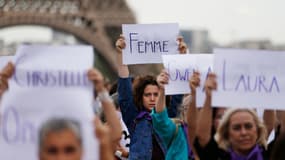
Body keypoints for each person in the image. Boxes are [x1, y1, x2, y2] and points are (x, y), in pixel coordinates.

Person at [116, 35, 187, 159]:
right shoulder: (133, 118)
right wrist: (121, 54)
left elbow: (178, 93)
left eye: (156, 94)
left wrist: (181, 57)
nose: (153, 98)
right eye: (148, 95)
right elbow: (124, 90)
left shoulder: (169, 116)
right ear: (140, 97)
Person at [151, 69, 196, 160]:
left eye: (197, 107)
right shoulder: (177, 130)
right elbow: (160, 119)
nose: (192, 111)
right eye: (187, 107)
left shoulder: (213, 134)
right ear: (182, 112)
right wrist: (162, 90)